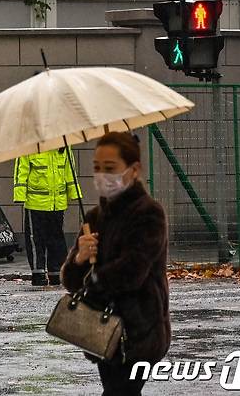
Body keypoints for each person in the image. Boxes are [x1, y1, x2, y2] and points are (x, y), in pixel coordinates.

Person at [61, 132, 170, 396]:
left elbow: (132, 271)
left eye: (110, 168)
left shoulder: (149, 214)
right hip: (103, 333)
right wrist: (80, 259)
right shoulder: (94, 218)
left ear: (134, 170)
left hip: (141, 332)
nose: (102, 175)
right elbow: (70, 281)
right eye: (97, 168)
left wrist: (94, 282)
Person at [13, 148, 81, 286]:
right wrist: (19, 195)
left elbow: (70, 171)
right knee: (36, 240)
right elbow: (21, 170)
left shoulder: (64, 146)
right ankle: (38, 273)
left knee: (56, 239)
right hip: (35, 203)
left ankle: (56, 273)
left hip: (57, 204)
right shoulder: (29, 146)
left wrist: (75, 193)